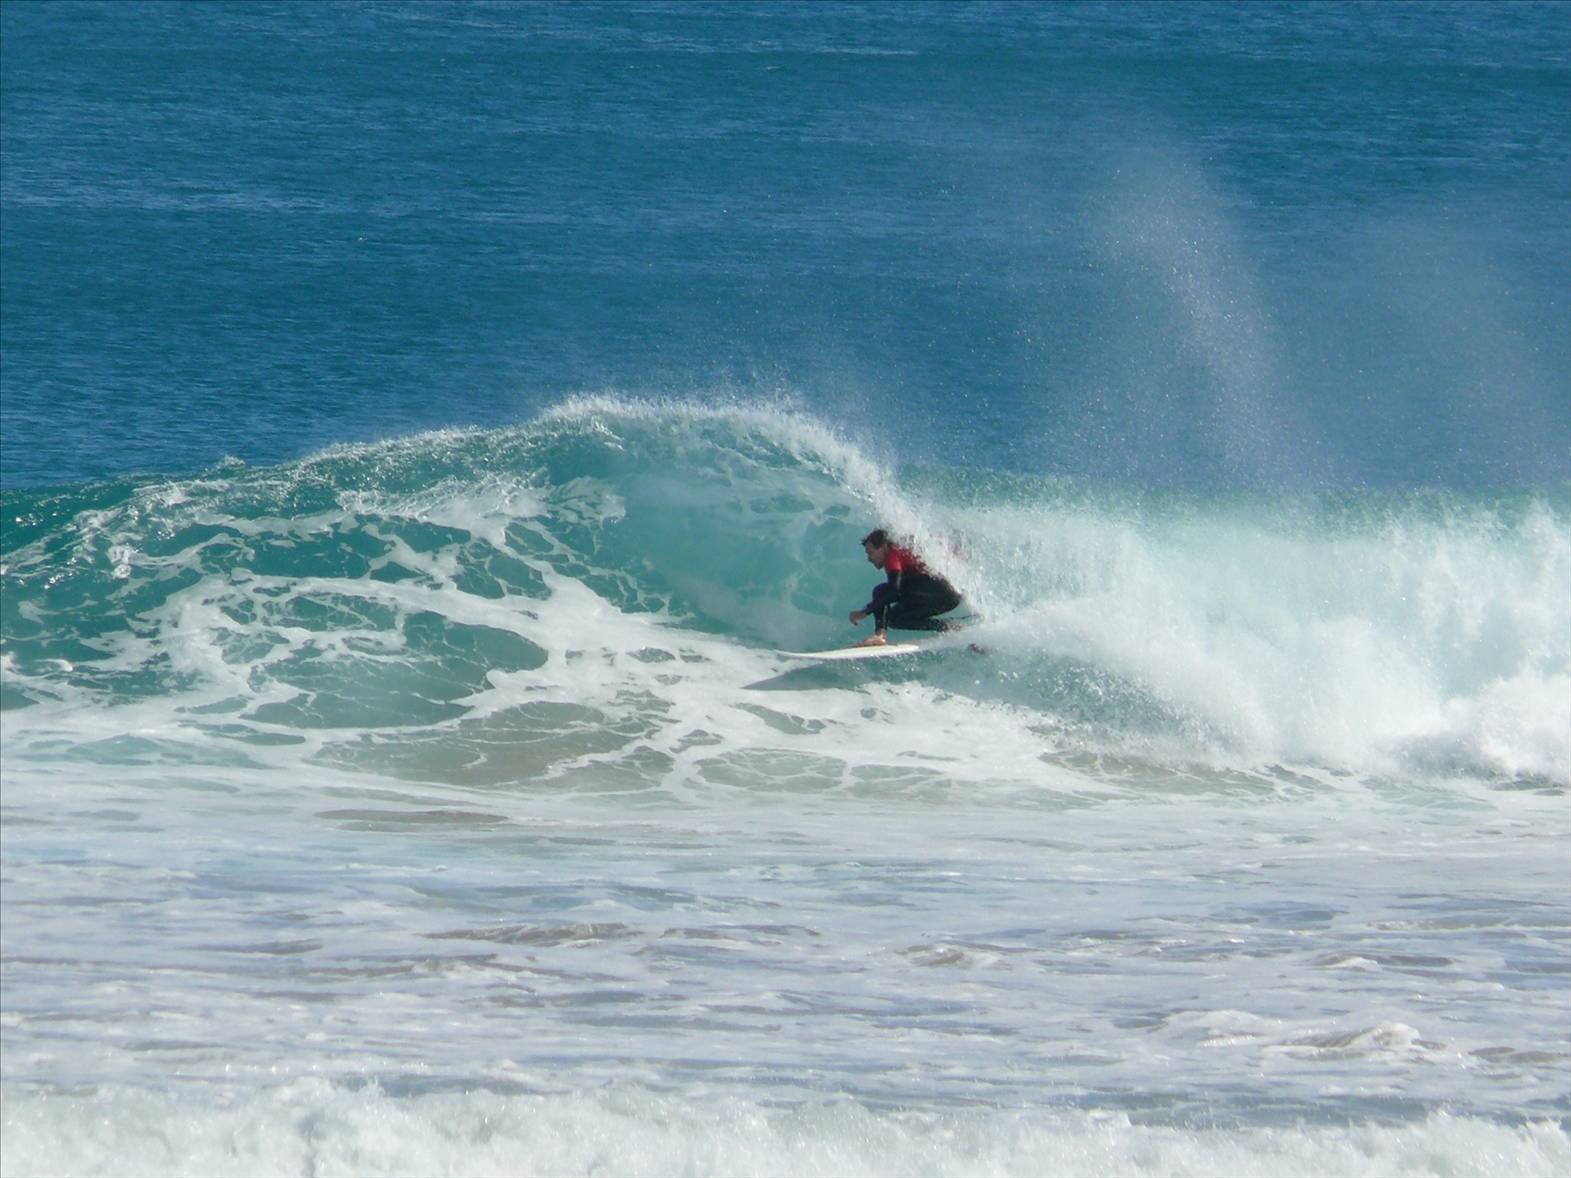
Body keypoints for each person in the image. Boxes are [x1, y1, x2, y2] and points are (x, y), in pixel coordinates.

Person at [849, 528, 963, 647]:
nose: (869, 558)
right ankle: (950, 627)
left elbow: (894, 590)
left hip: (942, 594)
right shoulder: (900, 553)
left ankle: (879, 636)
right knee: (894, 619)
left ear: (883, 547)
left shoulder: (892, 555)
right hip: (947, 598)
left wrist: (866, 611)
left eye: (870, 552)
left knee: (881, 590)